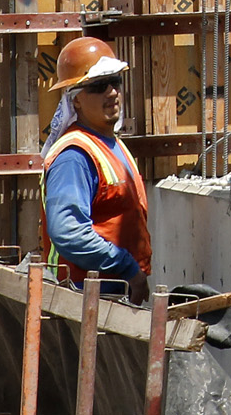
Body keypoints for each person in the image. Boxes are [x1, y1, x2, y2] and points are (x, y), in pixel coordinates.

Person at [41, 35, 150, 291]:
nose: (112, 92)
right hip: (82, 296)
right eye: (98, 86)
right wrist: (127, 267)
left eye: (115, 82)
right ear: (75, 99)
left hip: (111, 293)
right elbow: (69, 232)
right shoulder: (74, 156)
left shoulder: (110, 142)